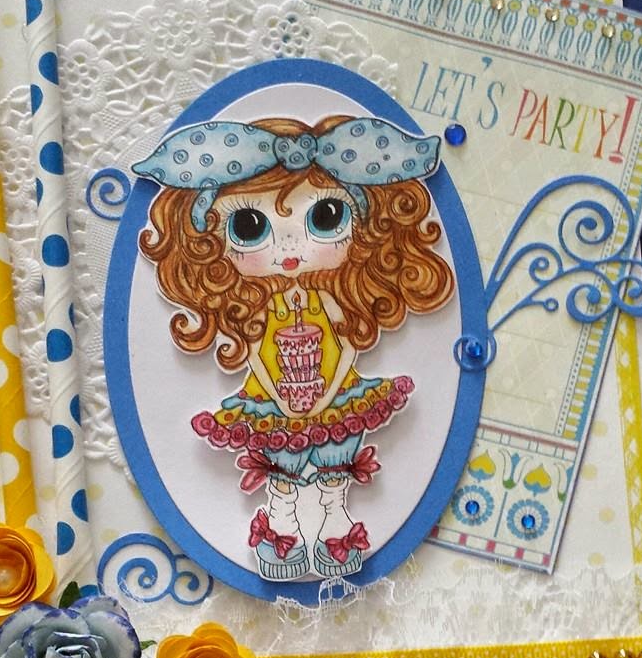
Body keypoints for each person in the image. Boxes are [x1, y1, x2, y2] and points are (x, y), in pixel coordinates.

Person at [135, 115, 453, 580]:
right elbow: (257, 354)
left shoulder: (330, 301)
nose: (289, 250)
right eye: (249, 226)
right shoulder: (260, 309)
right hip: (273, 399)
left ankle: (334, 525)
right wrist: (281, 397)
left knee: (334, 463)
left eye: (325, 217)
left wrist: (327, 392)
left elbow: (346, 343)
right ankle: (282, 528)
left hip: (334, 393)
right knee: (282, 469)